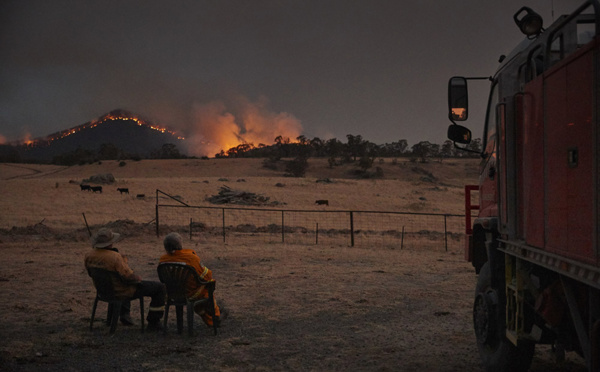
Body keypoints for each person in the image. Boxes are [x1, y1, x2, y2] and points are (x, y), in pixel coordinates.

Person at [85, 228, 166, 331]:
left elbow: (90, 274)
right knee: (159, 288)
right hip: (120, 291)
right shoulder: (115, 257)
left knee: (119, 282)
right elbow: (129, 277)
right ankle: (154, 322)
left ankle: (122, 315)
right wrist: (137, 278)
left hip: (103, 291)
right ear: (110, 242)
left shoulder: (89, 256)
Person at [159, 232, 224, 327]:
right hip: (192, 294)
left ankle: (206, 315)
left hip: (172, 294)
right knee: (209, 285)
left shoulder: (162, 260)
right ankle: (215, 316)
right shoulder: (191, 258)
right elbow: (206, 275)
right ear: (179, 245)